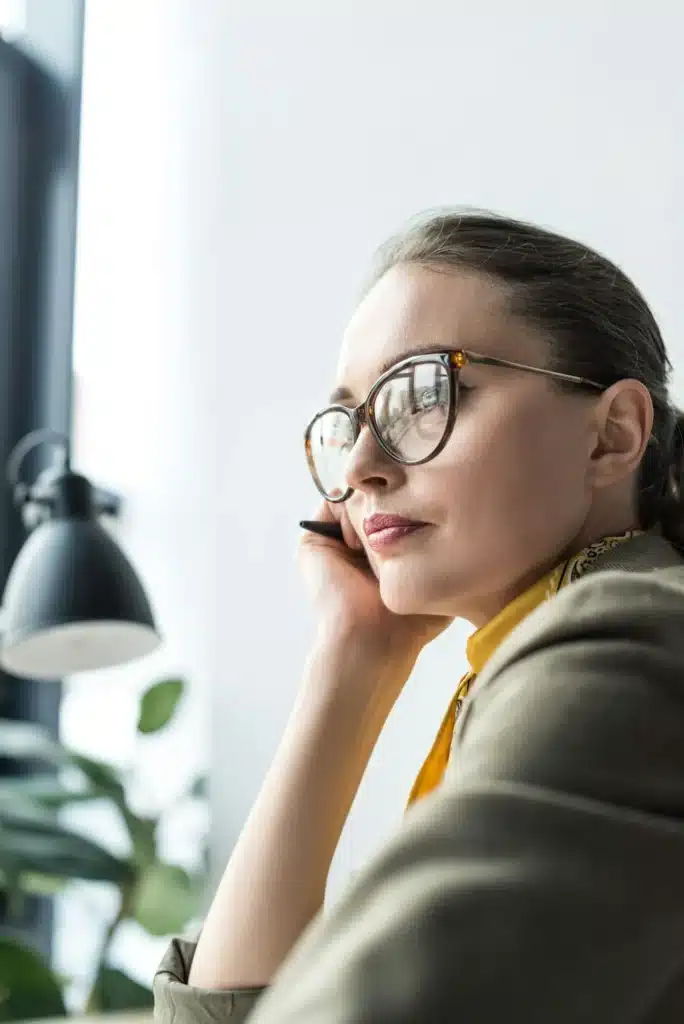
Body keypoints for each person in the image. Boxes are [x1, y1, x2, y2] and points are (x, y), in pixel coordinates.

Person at [154, 211, 684, 1022]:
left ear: (613, 434)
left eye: (420, 395)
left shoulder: (629, 645)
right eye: (349, 424)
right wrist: (353, 661)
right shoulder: (553, 653)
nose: (361, 469)